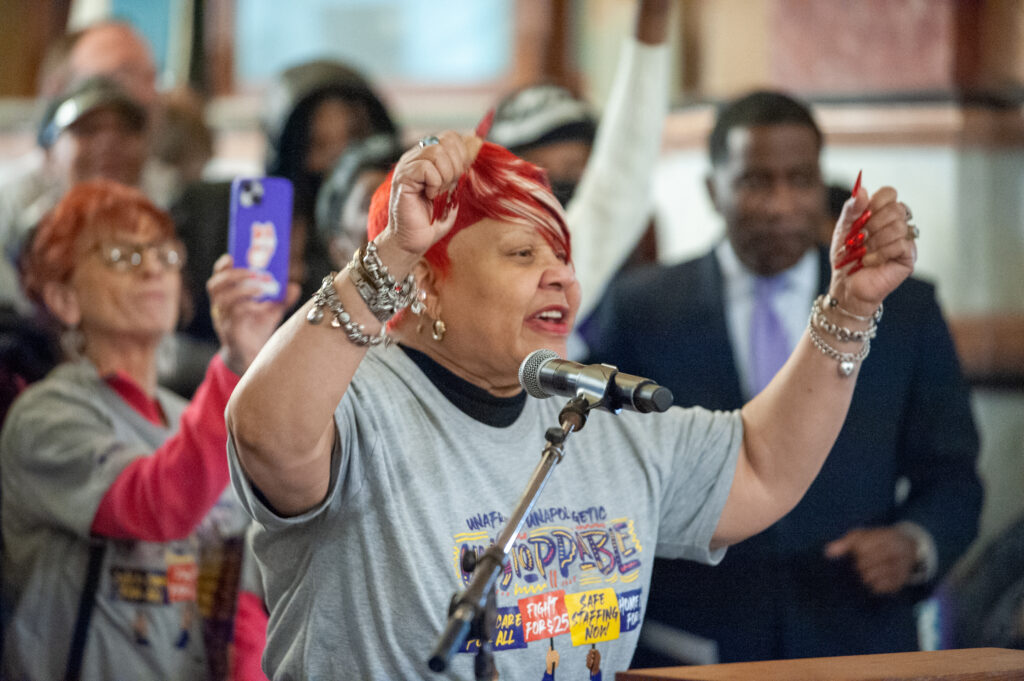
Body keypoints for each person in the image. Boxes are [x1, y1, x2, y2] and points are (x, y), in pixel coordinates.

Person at [223, 124, 916, 679]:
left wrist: (849, 308)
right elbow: (267, 436)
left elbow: (763, 466)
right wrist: (389, 259)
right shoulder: (360, 398)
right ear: (426, 285)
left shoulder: (591, 408)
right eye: (523, 254)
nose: (560, 276)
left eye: (564, 256)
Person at [584, 90, 982, 664]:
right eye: (754, 182)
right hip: (689, 639)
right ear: (712, 190)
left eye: (799, 180)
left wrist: (914, 542)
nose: (780, 204)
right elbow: (608, 470)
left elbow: (952, 475)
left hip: (854, 635)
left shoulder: (904, 308)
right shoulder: (641, 309)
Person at [1, 180, 297, 680]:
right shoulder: (45, 416)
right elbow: (155, 504)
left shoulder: (195, 416)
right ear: (63, 298)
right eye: (122, 254)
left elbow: (238, 595)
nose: (154, 266)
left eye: (164, 252)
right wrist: (235, 366)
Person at [487, 0, 671, 348]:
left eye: (575, 170)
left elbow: (623, 170)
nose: (559, 188)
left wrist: (653, 21)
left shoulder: (582, 253)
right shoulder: (475, 259)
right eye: (539, 176)